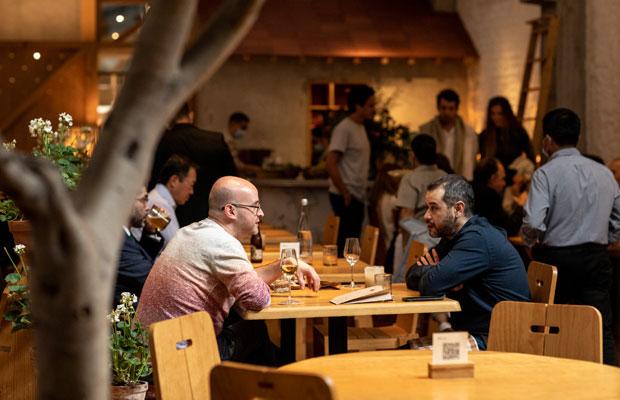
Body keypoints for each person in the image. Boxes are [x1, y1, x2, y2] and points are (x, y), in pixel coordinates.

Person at [136, 176, 320, 365]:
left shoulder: (193, 231)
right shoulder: (222, 243)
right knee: (254, 331)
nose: (261, 213)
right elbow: (257, 300)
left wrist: (284, 264)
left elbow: (242, 283)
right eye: (255, 207)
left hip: (150, 350)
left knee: (251, 337)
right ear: (231, 210)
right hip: (175, 356)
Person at [522, 108, 620, 365]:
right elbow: (618, 216)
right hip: (596, 257)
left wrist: (531, 243)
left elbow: (533, 221)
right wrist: (608, 238)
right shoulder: (604, 172)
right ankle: (611, 387)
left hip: (557, 260)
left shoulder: (545, 173)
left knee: (553, 329)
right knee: (601, 330)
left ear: (548, 140)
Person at [406, 175, 530, 349]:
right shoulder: (453, 236)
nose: (426, 216)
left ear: (458, 209)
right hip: (470, 331)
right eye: (427, 208)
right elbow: (411, 276)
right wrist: (440, 274)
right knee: (404, 352)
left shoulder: (476, 239)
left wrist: (439, 275)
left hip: (496, 338)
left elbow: (429, 286)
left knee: (409, 358)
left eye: (434, 208)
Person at [149, 103, 237, 227]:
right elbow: (233, 182)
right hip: (212, 217)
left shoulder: (161, 141)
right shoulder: (215, 140)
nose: (191, 191)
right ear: (191, 115)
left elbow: (153, 182)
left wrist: (154, 227)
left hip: (172, 216)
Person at [326, 85, 375, 255]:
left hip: (356, 195)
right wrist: (345, 192)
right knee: (345, 245)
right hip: (345, 196)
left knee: (352, 244)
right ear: (357, 106)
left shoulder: (361, 127)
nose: (373, 109)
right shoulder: (344, 128)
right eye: (370, 105)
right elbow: (331, 162)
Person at [114, 187, 164, 308]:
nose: (147, 207)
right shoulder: (117, 241)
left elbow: (140, 257)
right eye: (144, 200)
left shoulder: (126, 235)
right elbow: (151, 278)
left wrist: (150, 232)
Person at [134, 155, 197, 245]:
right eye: (191, 185)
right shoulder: (157, 205)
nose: (192, 192)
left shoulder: (158, 200)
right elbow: (177, 246)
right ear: (174, 180)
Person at [419, 89, 477, 180]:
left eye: (451, 108)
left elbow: (470, 163)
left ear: (456, 109)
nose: (447, 112)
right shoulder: (427, 130)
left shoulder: (468, 133)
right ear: (438, 108)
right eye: (443, 108)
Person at [478, 96, 535, 175]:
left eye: (500, 114)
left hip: (515, 175)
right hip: (494, 178)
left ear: (506, 114)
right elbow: (484, 162)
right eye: (493, 114)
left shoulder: (517, 132)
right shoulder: (485, 136)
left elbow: (530, 156)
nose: (496, 117)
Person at [473, 157, 524, 236]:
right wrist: (520, 207)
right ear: (492, 178)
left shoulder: (469, 190)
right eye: (502, 179)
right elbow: (508, 230)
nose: (504, 183)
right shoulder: (490, 197)